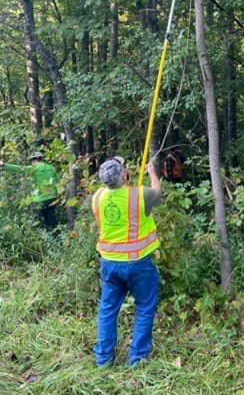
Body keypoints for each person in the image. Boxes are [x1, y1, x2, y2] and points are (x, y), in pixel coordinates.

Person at [91, 156, 162, 367]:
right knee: (145, 307)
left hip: (109, 263)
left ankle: (103, 359)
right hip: (137, 263)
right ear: (123, 175)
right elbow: (158, 193)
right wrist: (151, 172)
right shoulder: (138, 195)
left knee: (107, 310)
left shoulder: (97, 197)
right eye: (124, 168)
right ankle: (137, 359)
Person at [0, 151, 60, 231]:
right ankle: (54, 237)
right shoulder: (52, 168)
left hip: (39, 199)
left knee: (37, 222)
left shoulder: (34, 169)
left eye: (31, 161)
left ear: (34, 160)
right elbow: (58, 183)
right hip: (52, 198)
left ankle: (42, 238)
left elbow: (20, 169)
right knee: (50, 221)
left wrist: (4, 165)